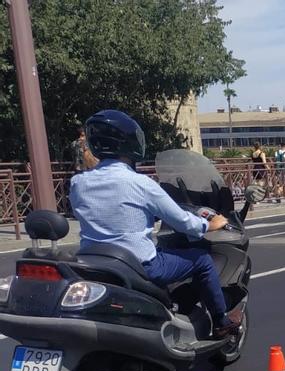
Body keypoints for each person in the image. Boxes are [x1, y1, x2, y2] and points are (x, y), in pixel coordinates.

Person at [69, 110, 241, 339]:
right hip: (141, 266)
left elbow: (105, 212)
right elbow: (182, 221)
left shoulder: (78, 182)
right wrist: (210, 224)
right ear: (129, 142)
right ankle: (221, 321)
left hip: (94, 263)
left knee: (164, 249)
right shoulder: (139, 183)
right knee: (202, 260)